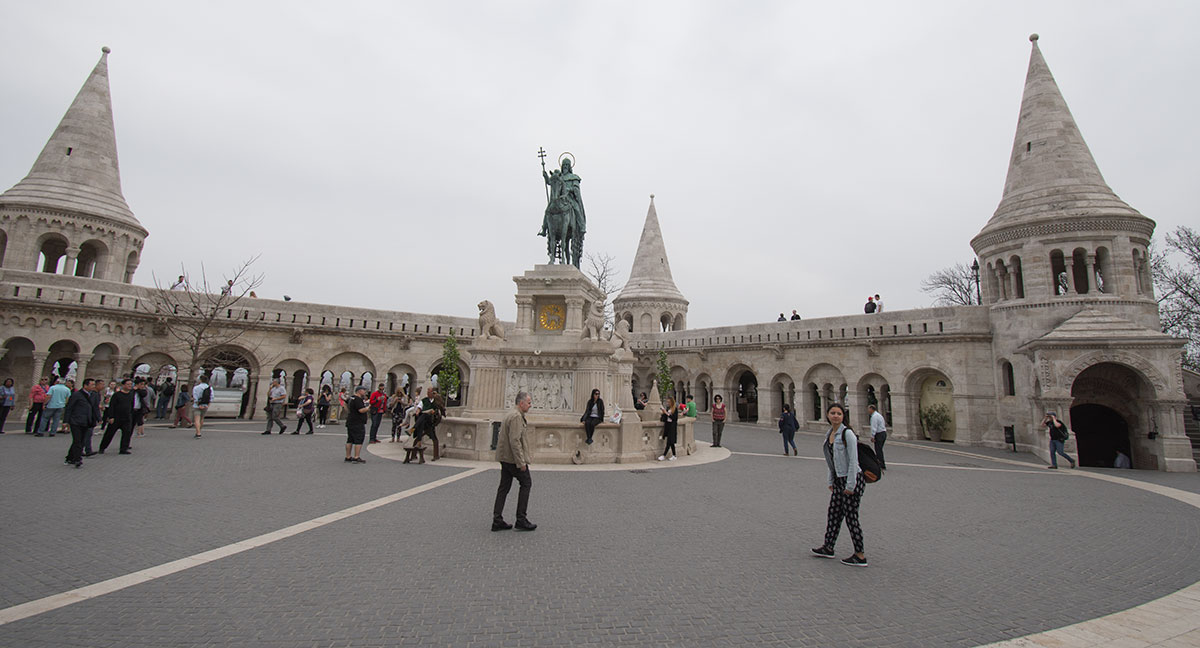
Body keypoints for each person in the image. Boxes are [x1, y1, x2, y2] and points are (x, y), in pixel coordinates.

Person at [812, 403, 868, 567]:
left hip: (851, 480)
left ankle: (860, 555)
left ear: (843, 416)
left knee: (851, 518)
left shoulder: (847, 434)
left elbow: (853, 461)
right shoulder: (830, 433)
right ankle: (828, 547)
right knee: (834, 514)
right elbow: (832, 461)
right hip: (838, 480)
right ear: (828, 415)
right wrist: (831, 480)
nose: (836, 416)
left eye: (839, 413)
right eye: (833, 413)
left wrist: (850, 485)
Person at [493, 390, 536, 532]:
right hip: (513, 459)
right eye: (529, 403)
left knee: (503, 488)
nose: (530, 406)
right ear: (521, 403)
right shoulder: (517, 417)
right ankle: (521, 519)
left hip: (505, 458)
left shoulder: (510, 413)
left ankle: (497, 519)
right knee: (526, 483)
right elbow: (515, 441)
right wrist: (521, 462)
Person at [64, 378, 96, 468]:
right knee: (78, 441)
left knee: (80, 440)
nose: (93, 386)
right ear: (85, 385)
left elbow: (93, 408)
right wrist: (66, 421)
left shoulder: (93, 395)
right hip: (76, 421)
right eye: (92, 385)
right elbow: (69, 408)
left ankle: (70, 457)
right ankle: (77, 459)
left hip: (86, 421)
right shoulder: (76, 395)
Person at [99, 379, 135, 455]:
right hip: (116, 417)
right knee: (109, 433)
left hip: (127, 418)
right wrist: (111, 417)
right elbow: (112, 406)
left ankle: (123, 449)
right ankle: (102, 447)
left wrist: (131, 415)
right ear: (123, 385)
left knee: (127, 433)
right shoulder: (117, 395)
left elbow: (132, 405)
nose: (130, 386)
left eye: (131, 384)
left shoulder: (131, 395)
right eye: (128, 384)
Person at [414, 386, 446, 461]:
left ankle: (414, 428)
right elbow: (419, 407)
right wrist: (418, 412)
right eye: (427, 392)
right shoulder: (424, 400)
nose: (428, 394)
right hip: (424, 420)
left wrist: (437, 396)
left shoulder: (437, 400)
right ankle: (415, 450)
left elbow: (442, 407)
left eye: (430, 392)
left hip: (432, 419)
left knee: (423, 418)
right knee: (423, 416)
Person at [344, 385, 369, 463]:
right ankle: (356, 456)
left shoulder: (351, 398)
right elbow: (361, 410)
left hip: (350, 420)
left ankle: (348, 456)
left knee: (350, 439)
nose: (365, 392)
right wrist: (368, 408)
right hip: (358, 421)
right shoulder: (358, 399)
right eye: (363, 390)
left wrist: (349, 412)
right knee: (359, 439)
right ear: (359, 391)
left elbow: (344, 404)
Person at [82, 378, 102, 456]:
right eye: (92, 385)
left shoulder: (95, 394)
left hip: (91, 417)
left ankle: (88, 450)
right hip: (82, 417)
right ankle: (81, 450)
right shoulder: (80, 394)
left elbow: (96, 407)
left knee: (88, 434)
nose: (93, 386)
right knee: (84, 435)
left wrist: (99, 417)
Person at [868, 404, 887, 471]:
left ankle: (881, 464)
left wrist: (872, 436)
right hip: (883, 433)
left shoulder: (874, 417)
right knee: (879, 449)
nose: (868, 411)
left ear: (872, 409)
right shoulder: (878, 415)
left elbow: (874, 427)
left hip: (879, 434)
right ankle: (880, 463)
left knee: (878, 450)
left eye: (869, 409)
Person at [658, 397, 679, 461]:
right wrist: (663, 413)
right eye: (667, 402)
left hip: (672, 426)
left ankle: (664, 455)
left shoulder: (675, 409)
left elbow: (674, 418)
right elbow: (665, 418)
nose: (668, 403)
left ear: (672, 402)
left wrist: (666, 413)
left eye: (669, 402)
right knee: (671, 442)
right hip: (668, 426)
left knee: (669, 442)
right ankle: (674, 455)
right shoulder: (668, 408)